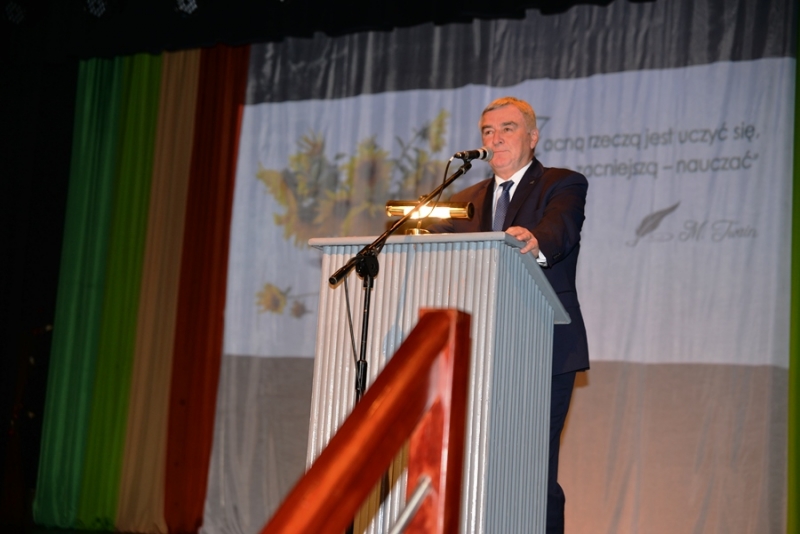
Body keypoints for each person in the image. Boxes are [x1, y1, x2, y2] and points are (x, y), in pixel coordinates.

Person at [429, 96, 589, 533]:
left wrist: (535, 240)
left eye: (507, 128)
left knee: (533, 473)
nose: (495, 138)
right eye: (487, 131)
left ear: (532, 137)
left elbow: (560, 228)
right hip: (479, 352)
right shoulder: (463, 199)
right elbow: (430, 244)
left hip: (543, 346)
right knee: (478, 468)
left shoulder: (562, 183)